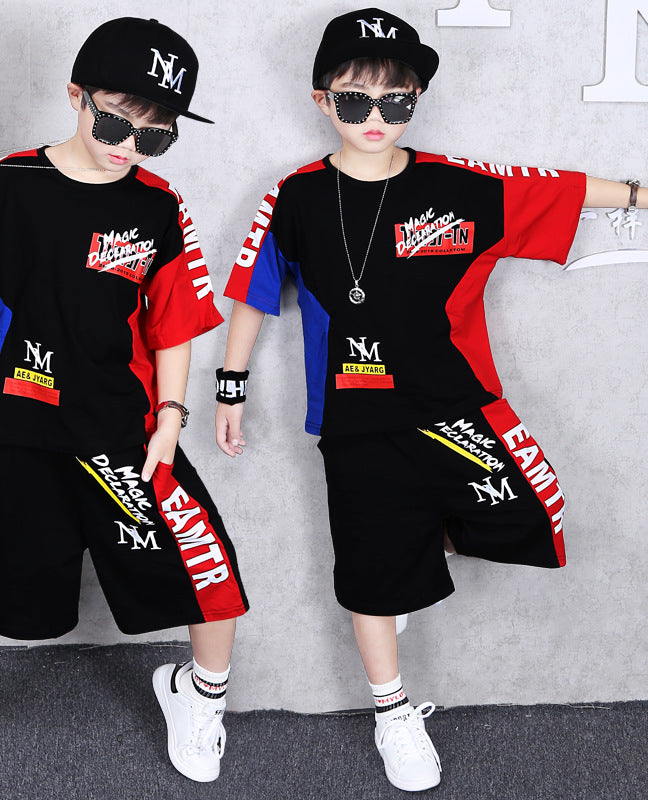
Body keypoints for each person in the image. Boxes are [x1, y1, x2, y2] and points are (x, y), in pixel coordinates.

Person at [215, 7, 645, 793]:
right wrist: (230, 386)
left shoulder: (458, 185)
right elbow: (253, 291)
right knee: (370, 576)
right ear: (322, 100)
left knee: (531, 511)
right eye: (355, 99)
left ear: (415, 99)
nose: (375, 116)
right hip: (353, 416)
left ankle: (407, 555)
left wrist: (641, 193)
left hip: (455, 405)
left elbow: (558, 189)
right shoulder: (295, 196)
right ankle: (393, 713)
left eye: (396, 99)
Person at [0, 16, 248, 785]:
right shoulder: (11, 182)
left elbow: (175, 323)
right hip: (18, 425)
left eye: (156, 134)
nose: (130, 145)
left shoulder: (159, 207)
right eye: (116, 122)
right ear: (77, 96)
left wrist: (170, 420)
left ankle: (200, 695)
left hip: (125, 428)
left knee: (207, 573)